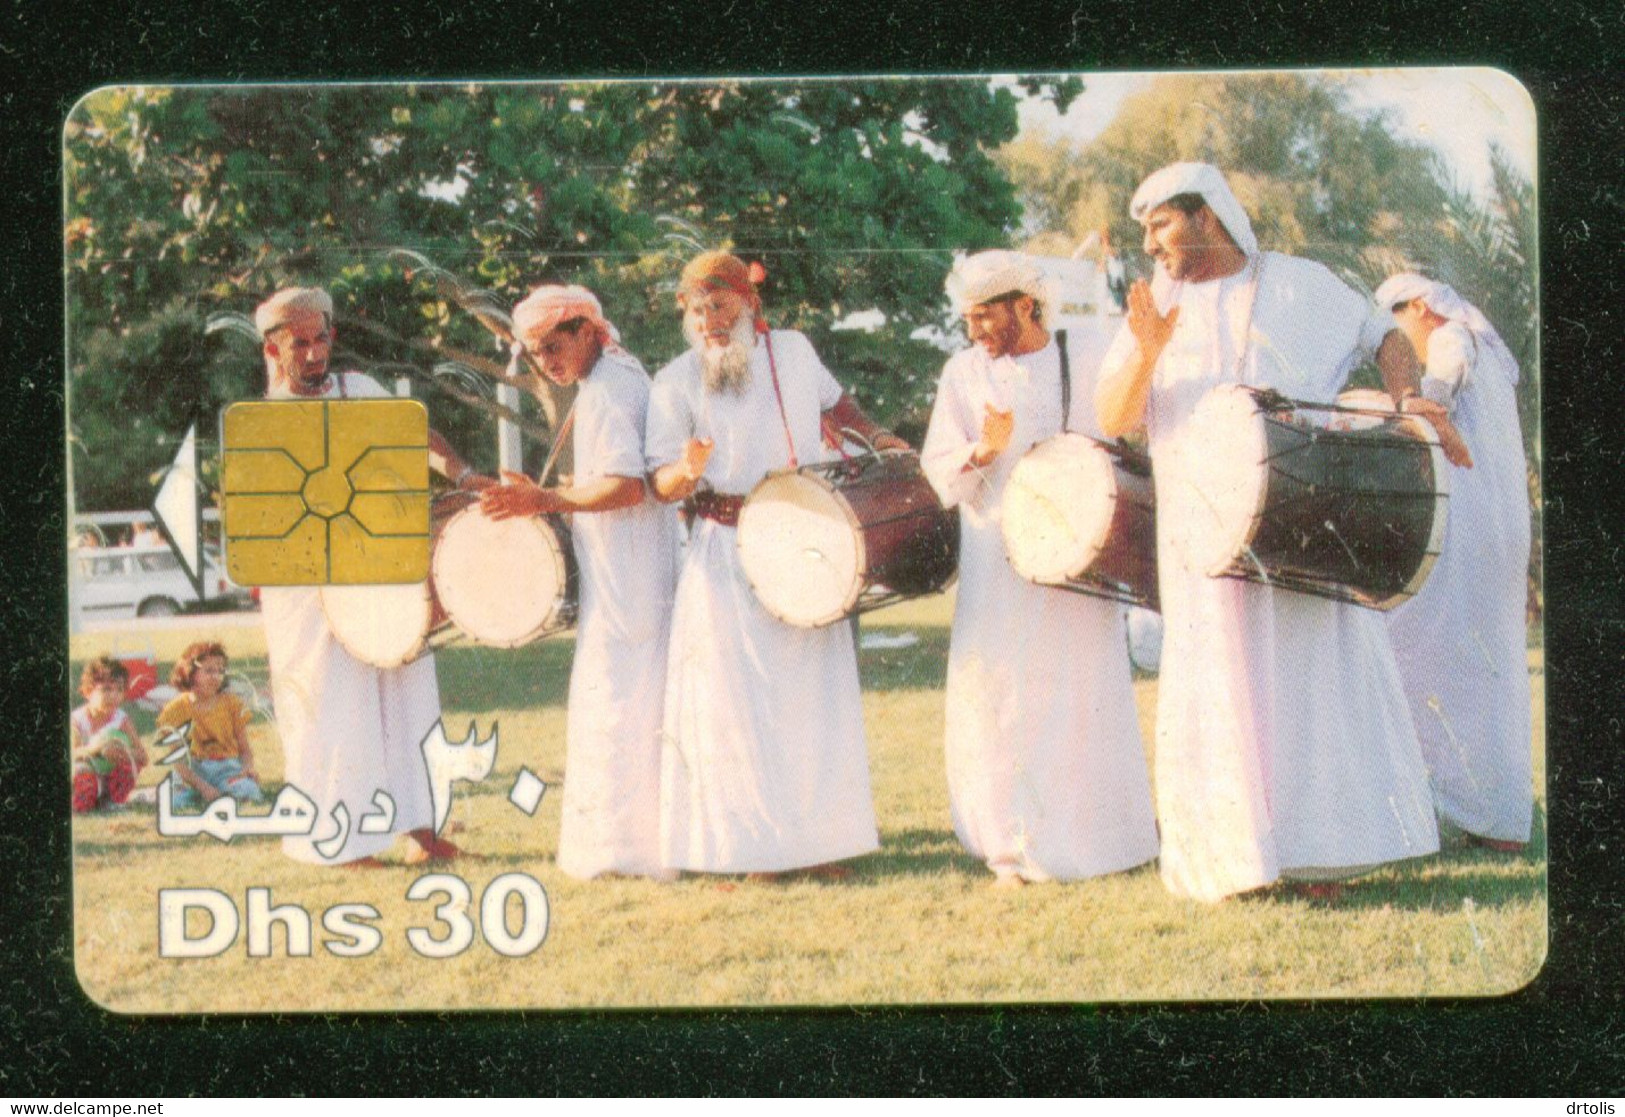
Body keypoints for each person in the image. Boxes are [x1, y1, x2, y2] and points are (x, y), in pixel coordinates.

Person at [1094, 163, 1462, 903]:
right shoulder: (1154, 305)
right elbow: (1111, 418)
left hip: (1302, 520)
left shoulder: (1299, 282)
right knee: (1218, 683)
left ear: (1208, 218)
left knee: (1309, 684)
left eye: (1160, 223)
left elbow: (1384, 334)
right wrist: (1146, 348)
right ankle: (1234, 862)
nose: (1150, 243)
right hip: (1203, 536)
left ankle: (1320, 857)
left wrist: (1407, 397)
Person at [645, 251, 904, 879]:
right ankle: (747, 854)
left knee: (811, 697)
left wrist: (883, 440)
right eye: (698, 309)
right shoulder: (674, 381)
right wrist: (689, 469)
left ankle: (816, 848)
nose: (709, 319)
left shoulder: (793, 351)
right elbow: (660, 482)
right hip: (722, 549)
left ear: (750, 301)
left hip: (804, 538)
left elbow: (838, 409)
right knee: (732, 707)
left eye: (721, 304)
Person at [920, 250, 1158, 887]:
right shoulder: (962, 374)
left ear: (1025, 306)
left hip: (1081, 560)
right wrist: (982, 450)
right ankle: (1010, 846)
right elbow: (939, 466)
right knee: (1001, 698)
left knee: (1083, 691)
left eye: (984, 317)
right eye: (967, 319)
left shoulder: (1086, 351)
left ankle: (1101, 841)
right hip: (997, 562)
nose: (974, 332)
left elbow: (1126, 423)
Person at [253, 286, 488, 867]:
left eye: (320, 338)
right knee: (333, 706)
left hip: (379, 570)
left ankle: (420, 828)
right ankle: (339, 842)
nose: (313, 353)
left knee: (409, 697)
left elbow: (414, 437)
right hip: (308, 587)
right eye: (299, 344)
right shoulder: (264, 420)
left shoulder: (357, 388)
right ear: (273, 351)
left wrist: (461, 473)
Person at [481, 285, 679, 880]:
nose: (547, 361)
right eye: (536, 354)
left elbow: (625, 486)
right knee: (625, 702)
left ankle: (629, 853)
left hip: (633, 579)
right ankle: (638, 846)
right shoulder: (609, 380)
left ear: (589, 328)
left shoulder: (612, 390)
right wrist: (543, 496)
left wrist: (543, 497)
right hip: (625, 573)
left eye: (553, 345)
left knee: (621, 704)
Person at [1376, 273, 1534, 851]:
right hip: (1500, 532)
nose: (1404, 341)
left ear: (1420, 307)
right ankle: (1500, 821)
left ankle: (1428, 805)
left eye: (1400, 326)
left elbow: (1436, 394)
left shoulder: (1451, 340)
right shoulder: (1491, 352)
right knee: (1490, 674)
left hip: (1467, 532)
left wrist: (1401, 405)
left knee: (1397, 642)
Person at [156, 641, 264, 811]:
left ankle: (221, 791)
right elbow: (178, 761)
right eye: (209, 671)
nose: (216, 676)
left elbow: (245, 750)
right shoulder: (174, 711)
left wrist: (247, 768)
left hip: (227, 768)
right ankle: (197, 792)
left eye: (220, 671)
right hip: (192, 772)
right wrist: (202, 787)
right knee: (173, 802)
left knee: (250, 791)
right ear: (190, 673)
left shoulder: (232, 704)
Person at [71, 656, 146, 813]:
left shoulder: (121, 719)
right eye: (106, 689)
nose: (113, 696)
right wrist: (96, 748)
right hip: (86, 773)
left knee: (130, 767)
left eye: (119, 690)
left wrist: (123, 752)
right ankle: (86, 799)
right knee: (83, 799)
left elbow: (143, 757)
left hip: (111, 774)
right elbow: (72, 754)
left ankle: (112, 800)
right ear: (87, 692)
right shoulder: (77, 719)